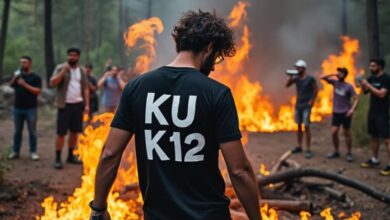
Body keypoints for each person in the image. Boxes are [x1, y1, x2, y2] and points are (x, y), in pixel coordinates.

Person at [89, 10, 261, 220]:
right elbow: (239, 171)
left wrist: (98, 208)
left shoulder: (136, 88)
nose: (214, 66)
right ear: (208, 47)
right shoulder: (217, 94)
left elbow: (110, 154)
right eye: (216, 57)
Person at [50, 48, 89, 169]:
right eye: (70, 55)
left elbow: (85, 88)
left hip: (78, 105)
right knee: (61, 133)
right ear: (67, 56)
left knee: (74, 132)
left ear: (78, 57)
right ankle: (57, 158)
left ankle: (70, 156)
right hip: (64, 105)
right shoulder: (60, 67)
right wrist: (63, 71)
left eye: (74, 55)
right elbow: (52, 83)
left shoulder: (81, 70)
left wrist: (86, 105)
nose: (72, 57)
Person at [8, 56, 42, 161]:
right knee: (17, 131)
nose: (22, 64)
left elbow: (37, 91)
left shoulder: (35, 77)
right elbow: (11, 85)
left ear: (30, 64)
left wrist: (25, 85)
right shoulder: (17, 76)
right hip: (17, 108)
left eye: (25, 63)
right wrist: (15, 77)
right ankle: (15, 151)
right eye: (21, 63)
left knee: (32, 131)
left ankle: (33, 152)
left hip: (31, 109)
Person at [321, 67, 359, 162]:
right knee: (334, 132)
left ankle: (349, 153)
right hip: (336, 112)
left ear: (345, 75)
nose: (339, 74)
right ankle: (336, 151)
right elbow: (322, 77)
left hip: (345, 113)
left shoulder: (349, 87)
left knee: (346, 133)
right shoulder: (335, 83)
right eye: (338, 72)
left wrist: (352, 110)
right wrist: (334, 73)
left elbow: (356, 98)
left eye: (341, 73)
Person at [360, 58, 390, 176]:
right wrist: (363, 85)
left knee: (387, 140)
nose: (371, 68)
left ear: (380, 67)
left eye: (373, 66)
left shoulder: (386, 79)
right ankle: (374, 159)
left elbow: (381, 94)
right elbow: (365, 92)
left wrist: (368, 85)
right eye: (370, 66)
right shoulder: (371, 78)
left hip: (382, 113)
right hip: (372, 112)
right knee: (374, 136)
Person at [286, 59, 318, 159]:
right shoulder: (296, 78)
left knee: (306, 127)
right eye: (296, 67)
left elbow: (316, 89)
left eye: (299, 67)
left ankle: (308, 149)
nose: (297, 69)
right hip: (298, 105)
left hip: (306, 106)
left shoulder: (310, 78)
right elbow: (287, 85)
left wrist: (312, 101)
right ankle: (299, 146)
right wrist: (291, 77)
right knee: (299, 126)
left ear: (303, 68)